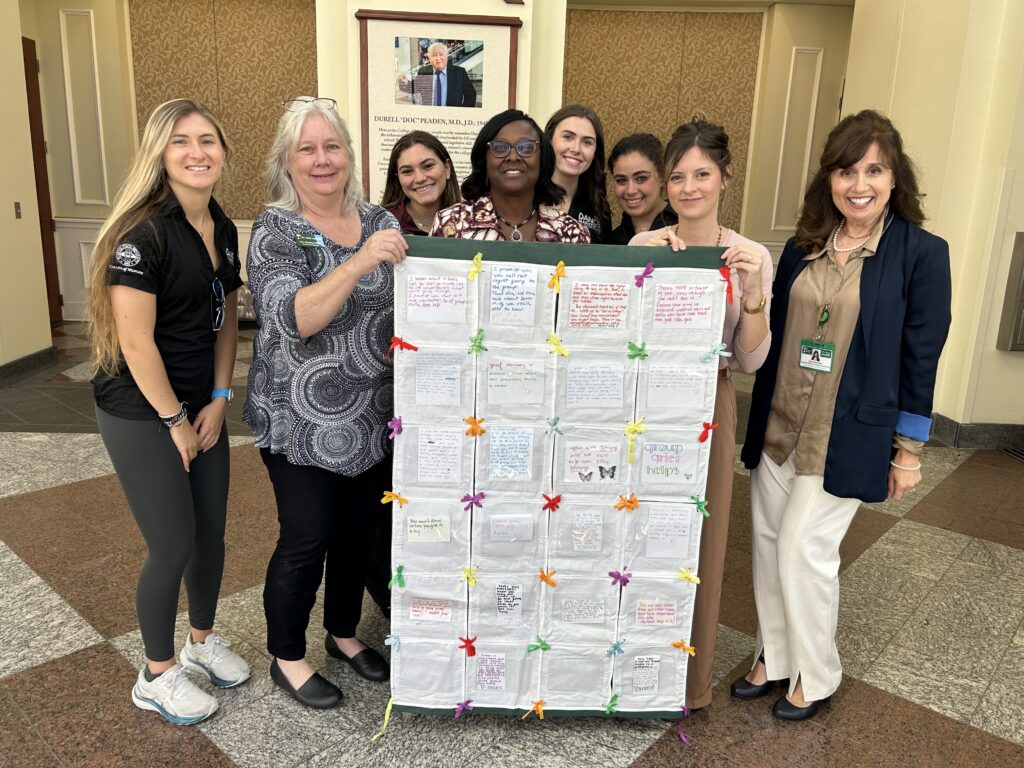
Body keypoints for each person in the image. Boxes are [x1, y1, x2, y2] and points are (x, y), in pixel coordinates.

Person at [734, 110, 951, 720]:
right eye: (847, 169)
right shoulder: (803, 248)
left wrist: (908, 451)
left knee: (806, 547)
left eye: (874, 170)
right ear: (829, 178)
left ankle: (817, 672)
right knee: (771, 541)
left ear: (894, 177)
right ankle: (774, 655)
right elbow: (775, 334)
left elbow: (921, 354)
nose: (859, 183)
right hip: (781, 422)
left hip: (847, 431)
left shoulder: (921, 254)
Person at [88, 98, 250, 725]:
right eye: (182, 141)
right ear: (161, 154)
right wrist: (175, 422)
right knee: (173, 542)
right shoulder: (144, 234)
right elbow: (134, 343)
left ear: (223, 153)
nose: (198, 151)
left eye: (208, 140)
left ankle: (201, 644)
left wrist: (217, 399)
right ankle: (156, 673)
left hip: (197, 404)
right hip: (140, 409)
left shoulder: (222, 227)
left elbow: (228, 321)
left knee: (212, 533)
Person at [244, 96, 408, 709]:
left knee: (357, 534)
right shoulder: (275, 228)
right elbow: (293, 319)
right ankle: (288, 655)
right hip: (299, 420)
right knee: (307, 536)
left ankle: (342, 632)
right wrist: (360, 261)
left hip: (371, 415)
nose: (321, 159)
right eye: (307, 149)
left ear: (349, 155)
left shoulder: (380, 219)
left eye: (331, 146)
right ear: (286, 162)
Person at [632, 116, 772, 711]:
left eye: (702, 175)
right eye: (678, 177)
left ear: (724, 178)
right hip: (645, 406)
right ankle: (634, 663)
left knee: (703, 540)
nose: (689, 188)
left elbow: (752, 359)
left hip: (709, 403)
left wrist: (756, 292)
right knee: (639, 536)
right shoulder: (645, 245)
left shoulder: (751, 254)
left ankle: (688, 683)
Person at [431, 108, 590, 243]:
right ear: (484, 159)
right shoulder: (450, 223)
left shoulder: (571, 233)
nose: (513, 157)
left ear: (542, 158)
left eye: (526, 147)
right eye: (500, 148)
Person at [543, 104, 611, 242]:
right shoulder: (527, 195)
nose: (576, 149)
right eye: (568, 137)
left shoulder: (598, 206)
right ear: (549, 140)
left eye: (587, 142)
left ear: (595, 152)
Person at [380, 131, 461, 236]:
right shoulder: (381, 225)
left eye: (428, 166)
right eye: (407, 171)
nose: (419, 179)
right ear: (398, 179)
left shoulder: (473, 222)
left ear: (447, 168)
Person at [607, 132, 677, 244]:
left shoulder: (683, 229)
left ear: (662, 176)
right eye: (621, 180)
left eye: (641, 178)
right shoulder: (611, 242)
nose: (631, 190)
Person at [397, 41, 477, 107]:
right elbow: (415, 88)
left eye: (441, 54)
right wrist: (405, 82)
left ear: (446, 56)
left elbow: (471, 94)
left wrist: (463, 113)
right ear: (429, 58)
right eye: (434, 55)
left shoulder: (459, 72)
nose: (438, 58)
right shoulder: (424, 71)